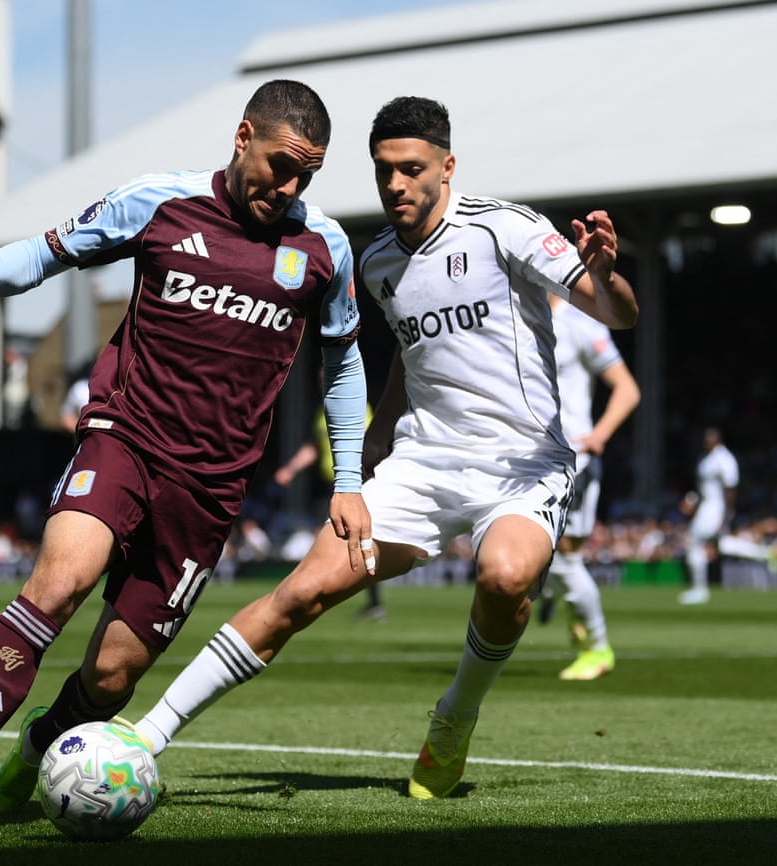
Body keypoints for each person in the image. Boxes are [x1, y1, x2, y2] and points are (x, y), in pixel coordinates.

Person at [0, 79, 374, 836]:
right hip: (125, 436)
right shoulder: (161, 202)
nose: (289, 187)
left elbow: (343, 365)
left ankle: (31, 755)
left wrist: (347, 481)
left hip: (212, 488)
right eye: (281, 165)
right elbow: (50, 251)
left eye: (306, 176)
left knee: (113, 674)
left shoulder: (323, 247)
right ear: (243, 134)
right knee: (60, 581)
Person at [133, 96, 638, 799]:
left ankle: (454, 720)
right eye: (383, 172)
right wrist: (372, 445)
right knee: (302, 592)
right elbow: (408, 353)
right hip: (422, 464)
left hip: (522, 468)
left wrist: (605, 273)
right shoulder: (375, 264)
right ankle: (144, 738)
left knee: (504, 577)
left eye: (410, 169)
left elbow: (617, 311)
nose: (395, 185)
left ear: (447, 166)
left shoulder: (504, 229)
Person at [540, 292, 641, 679]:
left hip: (574, 460)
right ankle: (552, 594)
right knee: (542, 551)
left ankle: (597, 648)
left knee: (565, 557)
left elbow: (627, 388)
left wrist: (599, 435)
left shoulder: (580, 323)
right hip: (531, 458)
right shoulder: (518, 314)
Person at [274, 385, 384, 619]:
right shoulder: (323, 411)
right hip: (330, 486)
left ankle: (372, 602)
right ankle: (318, 593)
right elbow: (315, 446)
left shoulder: (358, 407)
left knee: (358, 538)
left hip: (355, 487)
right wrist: (291, 469)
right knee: (328, 538)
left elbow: (371, 444)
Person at [678, 427, 738, 605]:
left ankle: (700, 589)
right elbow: (701, 488)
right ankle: (765, 554)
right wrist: (692, 500)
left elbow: (731, 489)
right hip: (705, 506)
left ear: (719, 440)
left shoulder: (725, 459)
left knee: (694, 540)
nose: (706, 442)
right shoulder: (703, 458)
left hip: (716, 507)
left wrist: (727, 515)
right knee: (722, 545)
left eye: (710, 439)